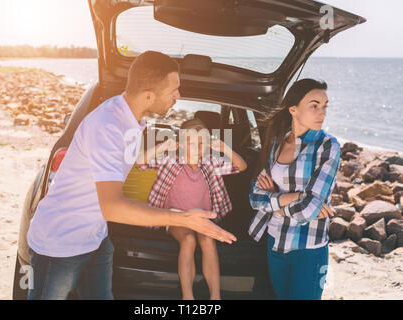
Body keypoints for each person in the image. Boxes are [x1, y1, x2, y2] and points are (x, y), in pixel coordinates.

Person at [26, 51, 237, 300]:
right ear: (148, 95)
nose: (178, 96)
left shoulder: (132, 120)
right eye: (174, 90)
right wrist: (184, 219)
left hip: (95, 237)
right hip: (60, 242)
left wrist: (161, 150)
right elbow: (112, 207)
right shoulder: (107, 126)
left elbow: (120, 163)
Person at [248, 78, 340, 300]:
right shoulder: (277, 142)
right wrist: (296, 196)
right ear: (293, 109)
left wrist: (274, 201)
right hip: (275, 240)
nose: (322, 113)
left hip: (307, 247)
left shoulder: (328, 146)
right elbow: (254, 197)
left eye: (325, 106)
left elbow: (308, 210)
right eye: (314, 105)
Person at [136, 118, 247, 300]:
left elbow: (242, 166)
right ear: (180, 144)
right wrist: (164, 146)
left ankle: (215, 297)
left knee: (208, 241)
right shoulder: (170, 160)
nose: (196, 148)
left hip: (203, 220)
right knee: (188, 240)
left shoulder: (211, 162)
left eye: (201, 142)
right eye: (190, 143)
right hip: (176, 218)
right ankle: (188, 297)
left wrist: (224, 148)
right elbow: (139, 163)